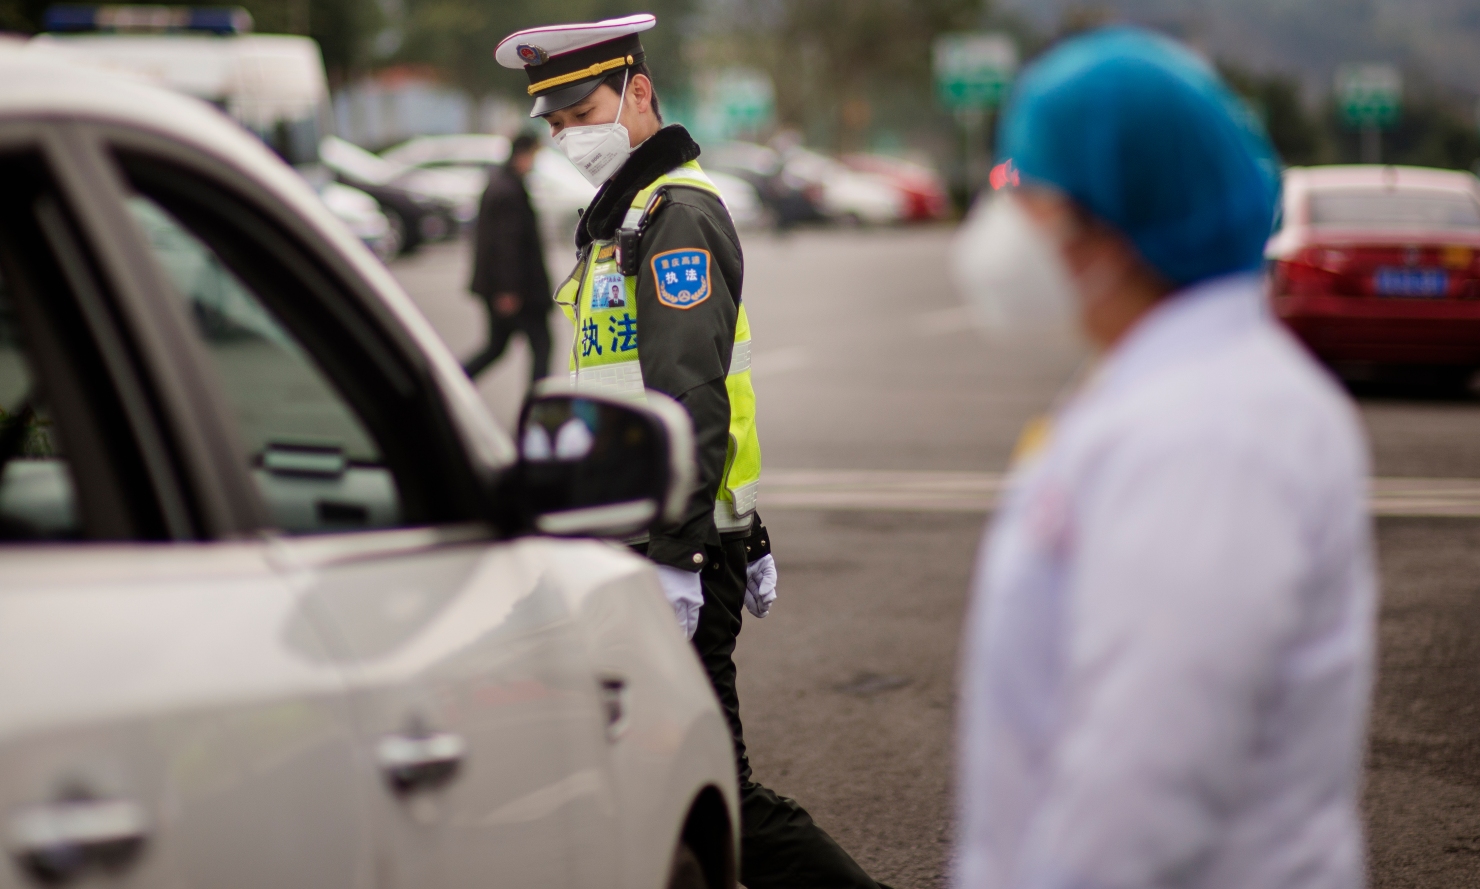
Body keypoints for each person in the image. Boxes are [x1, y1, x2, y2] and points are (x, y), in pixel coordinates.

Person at [954, 28, 1375, 889]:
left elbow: (1143, 777)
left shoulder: (1211, 432)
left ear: (1107, 229)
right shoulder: (1165, 384)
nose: (1004, 225)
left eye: (1025, 192)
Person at [495, 15, 890, 889]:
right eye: (554, 123)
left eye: (581, 110)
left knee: (717, 794)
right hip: (638, 540)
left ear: (639, 91)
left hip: (663, 549)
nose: (567, 136)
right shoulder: (628, 217)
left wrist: (690, 551)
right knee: (639, 782)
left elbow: (692, 397)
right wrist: (743, 528)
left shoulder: (674, 217)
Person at [464, 133, 552, 384]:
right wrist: (508, 290)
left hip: (508, 289)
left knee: (496, 347)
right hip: (517, 291)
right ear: (522, 154)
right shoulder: (508, 190)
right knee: (541, 345)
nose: (534, 163)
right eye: (534, 156)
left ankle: (450, 385)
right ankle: (538, 409)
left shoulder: (504, 183)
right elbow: (506, 245)